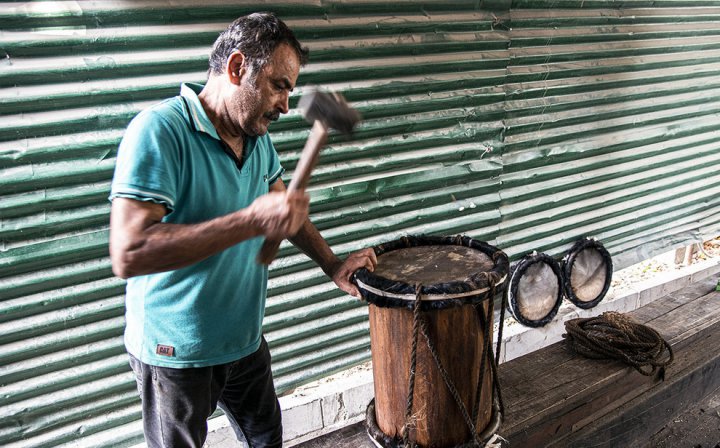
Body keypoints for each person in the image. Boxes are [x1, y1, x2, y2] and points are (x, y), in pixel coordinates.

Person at [108, 12, 376, 448]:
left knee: (266, 437)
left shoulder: (257, 138)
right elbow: (128, 252)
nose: (286, 105)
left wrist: (331, 264)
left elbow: (286, 212)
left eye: (291, 90)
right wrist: (249, 220)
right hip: (176, 353)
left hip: (244, 340)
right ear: (237, 68)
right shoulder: (159, 131)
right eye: (279, 86)